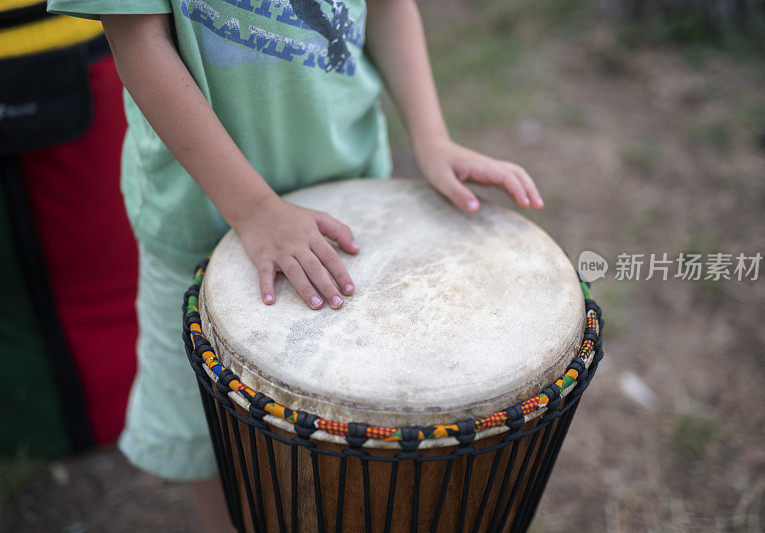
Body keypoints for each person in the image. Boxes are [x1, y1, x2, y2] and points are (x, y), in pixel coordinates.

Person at [48, 0, 544, 530]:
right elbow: (138, 42)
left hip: (347, 203)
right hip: (200, 215)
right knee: (209, 437)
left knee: (354, 430)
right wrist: (254, 210)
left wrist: (431, 137)